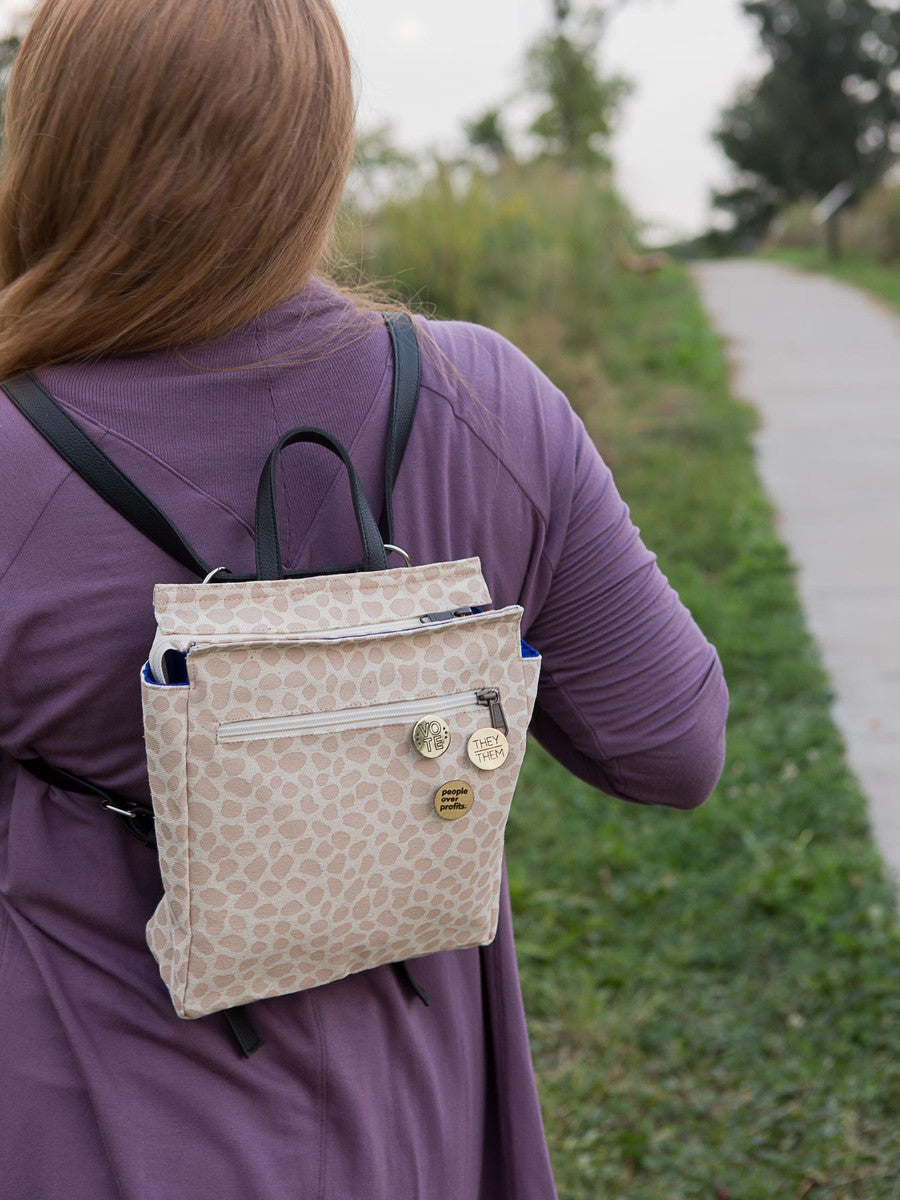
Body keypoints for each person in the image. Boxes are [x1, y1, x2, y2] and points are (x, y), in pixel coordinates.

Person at [0, 1, 728, 1197]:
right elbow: (674, 746)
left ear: (55, 143)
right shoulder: (490, 403)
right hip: (420, 1134)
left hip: (95, 1131)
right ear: (316, 149)